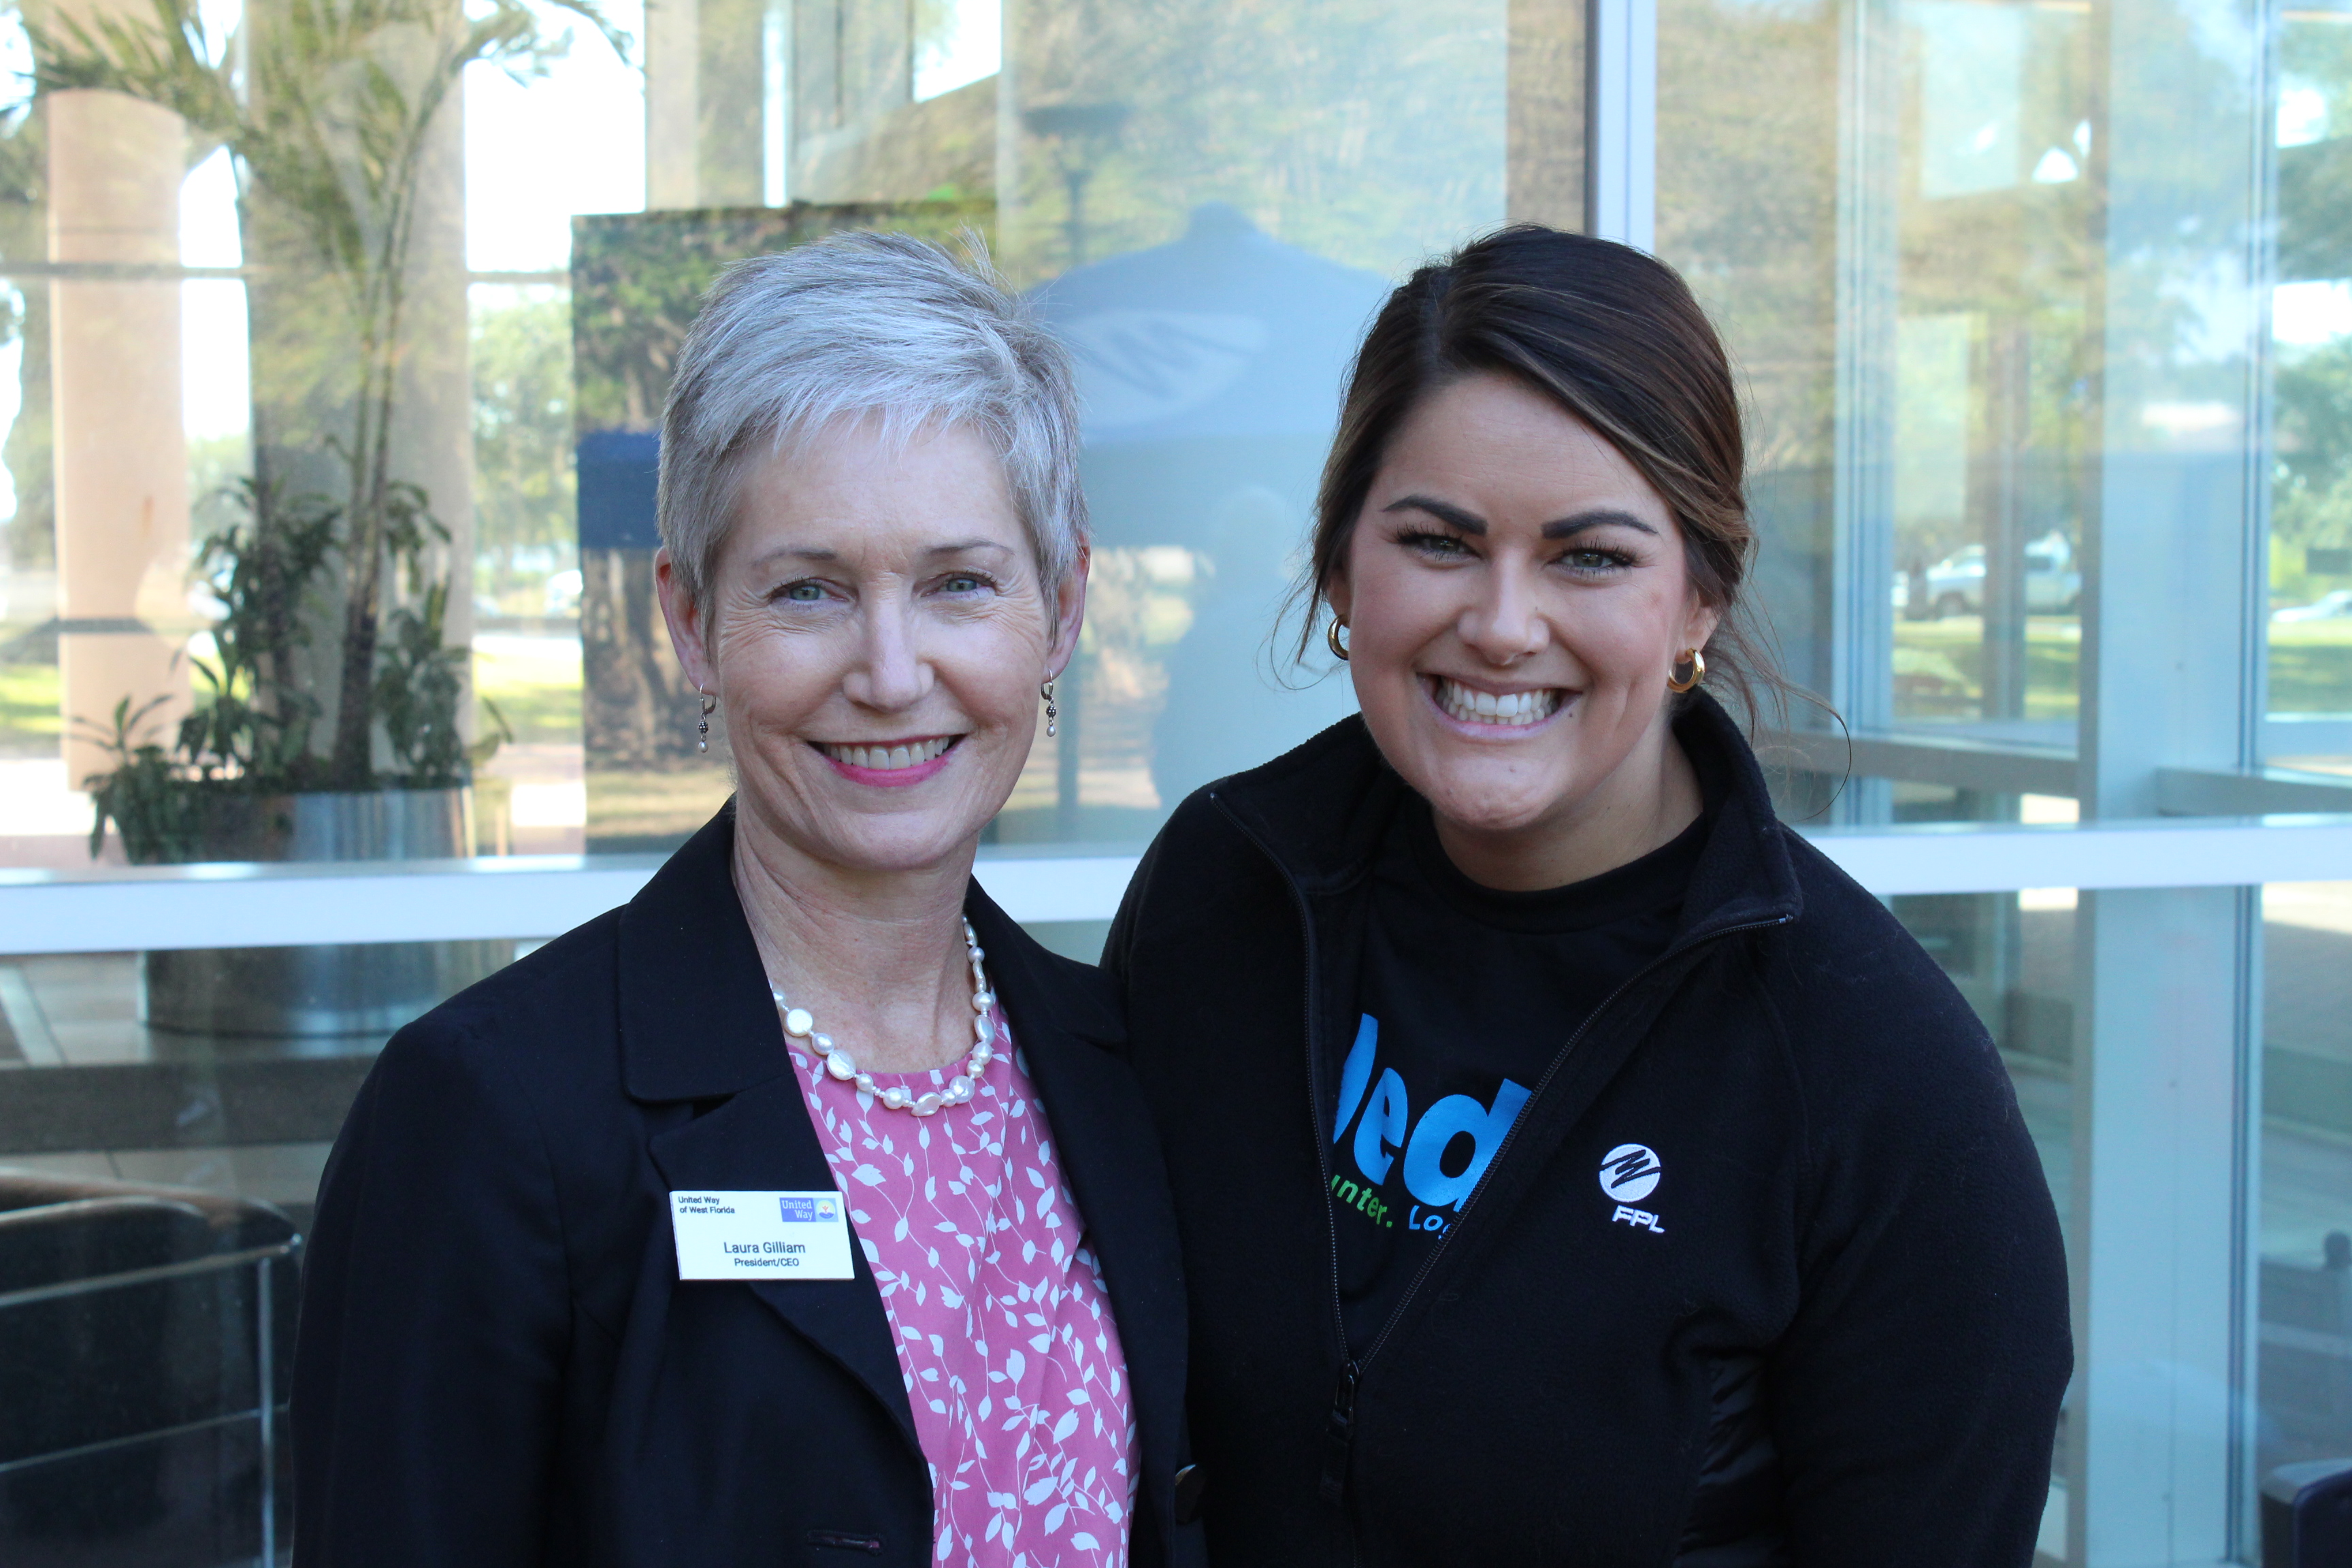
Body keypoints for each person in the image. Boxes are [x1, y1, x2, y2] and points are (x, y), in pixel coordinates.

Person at [1104, 227, 2070, 1565]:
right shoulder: (1225, 894)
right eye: (1439, 541)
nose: (1503, 624)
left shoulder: (1877, 1075)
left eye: (1590, 557)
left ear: (1699, 603)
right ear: (1341, 573)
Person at [294, 232, 1205, 1568]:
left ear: (1060, 607)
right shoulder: (492, 1116)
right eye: (808, 591)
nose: (891, 673)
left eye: (958, 582)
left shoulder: (1131, 1070)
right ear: (688, 620)